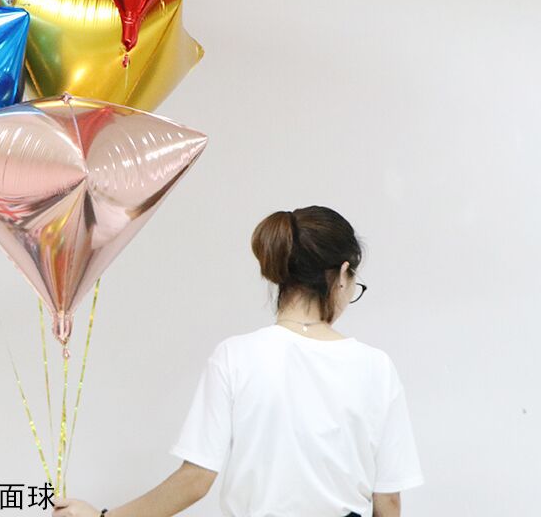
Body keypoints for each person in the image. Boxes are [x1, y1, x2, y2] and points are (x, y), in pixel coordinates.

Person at [52, 206, 424, 517]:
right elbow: (388, 502)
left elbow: (195, 480)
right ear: (342, 275)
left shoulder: (236, 357)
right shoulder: (376, 367)